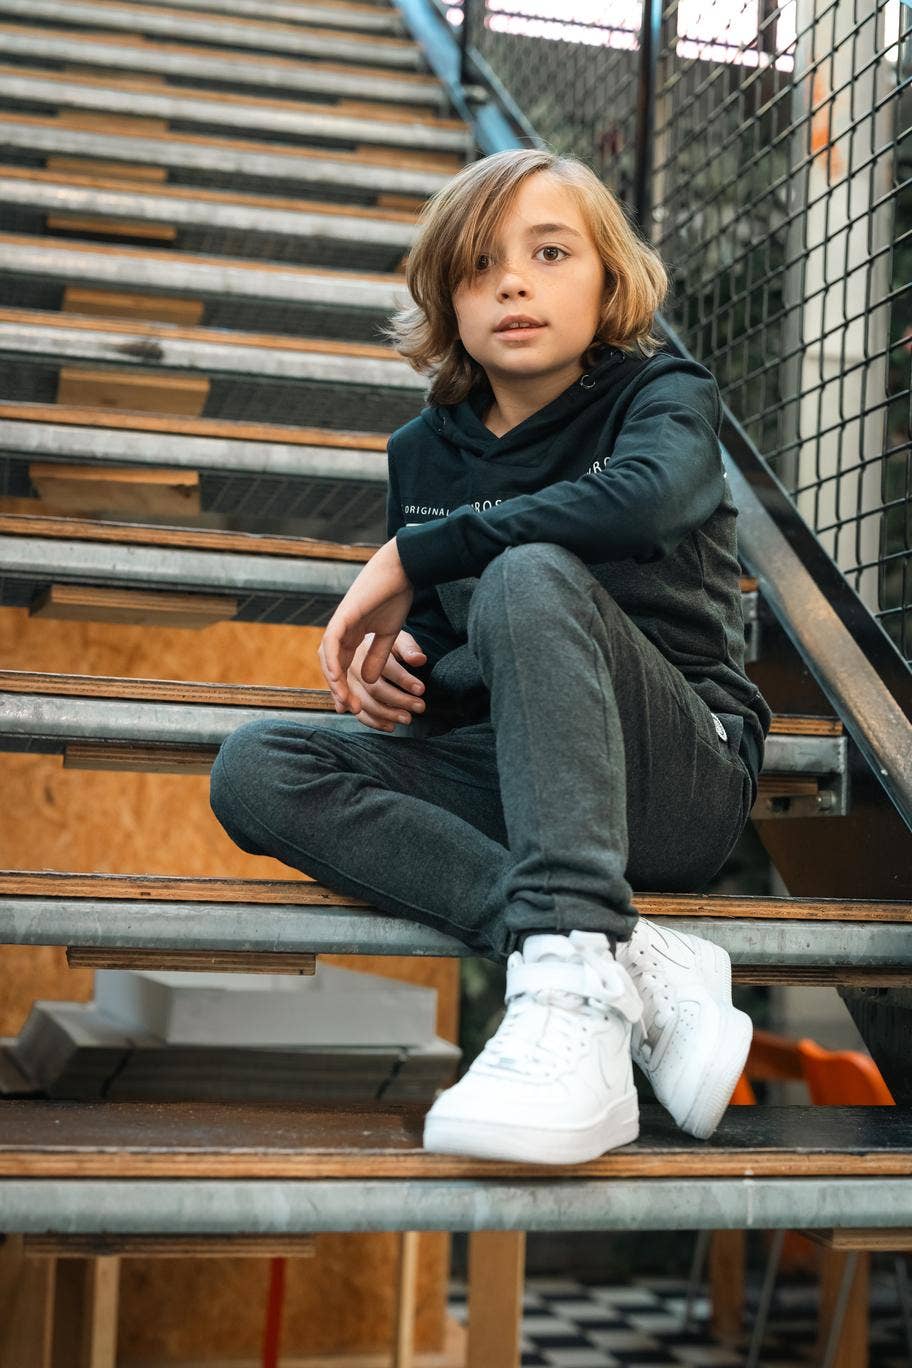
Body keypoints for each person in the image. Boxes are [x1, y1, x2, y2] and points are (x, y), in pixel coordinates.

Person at [210, 147, 772, 1166]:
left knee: (527, 570)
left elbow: (642, 503)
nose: (513, 282)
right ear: (448, 299)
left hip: (676, 774)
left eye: (550, 253)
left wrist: (421, 552)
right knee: (257, 767)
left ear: (607, 280)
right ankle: (615, 953)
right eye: (479, 264)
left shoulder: (662, 395)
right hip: (526, 780)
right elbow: (458, 632)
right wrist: (409, 663)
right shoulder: (426, 451)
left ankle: (575, 1009)